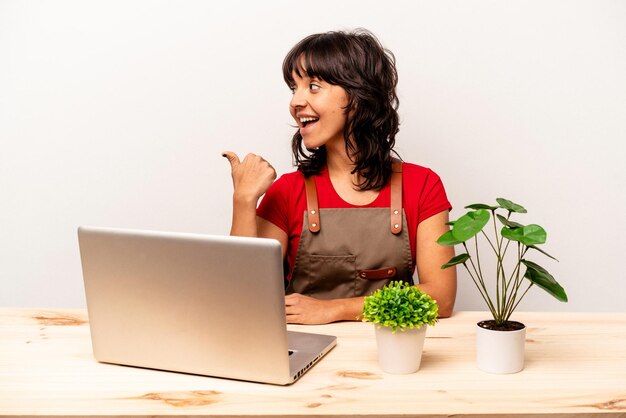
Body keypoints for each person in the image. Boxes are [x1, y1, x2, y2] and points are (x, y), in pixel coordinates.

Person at [223, 29, 456, 325]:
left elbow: (441, 296)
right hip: (301, 350)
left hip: (394, 350)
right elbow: (242, 298)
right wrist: (243, 200)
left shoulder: (422, 185)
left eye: (313, 86)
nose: (296, 101)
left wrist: (334, 309)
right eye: (294, 88)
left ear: (359, 95)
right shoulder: (287, 191)